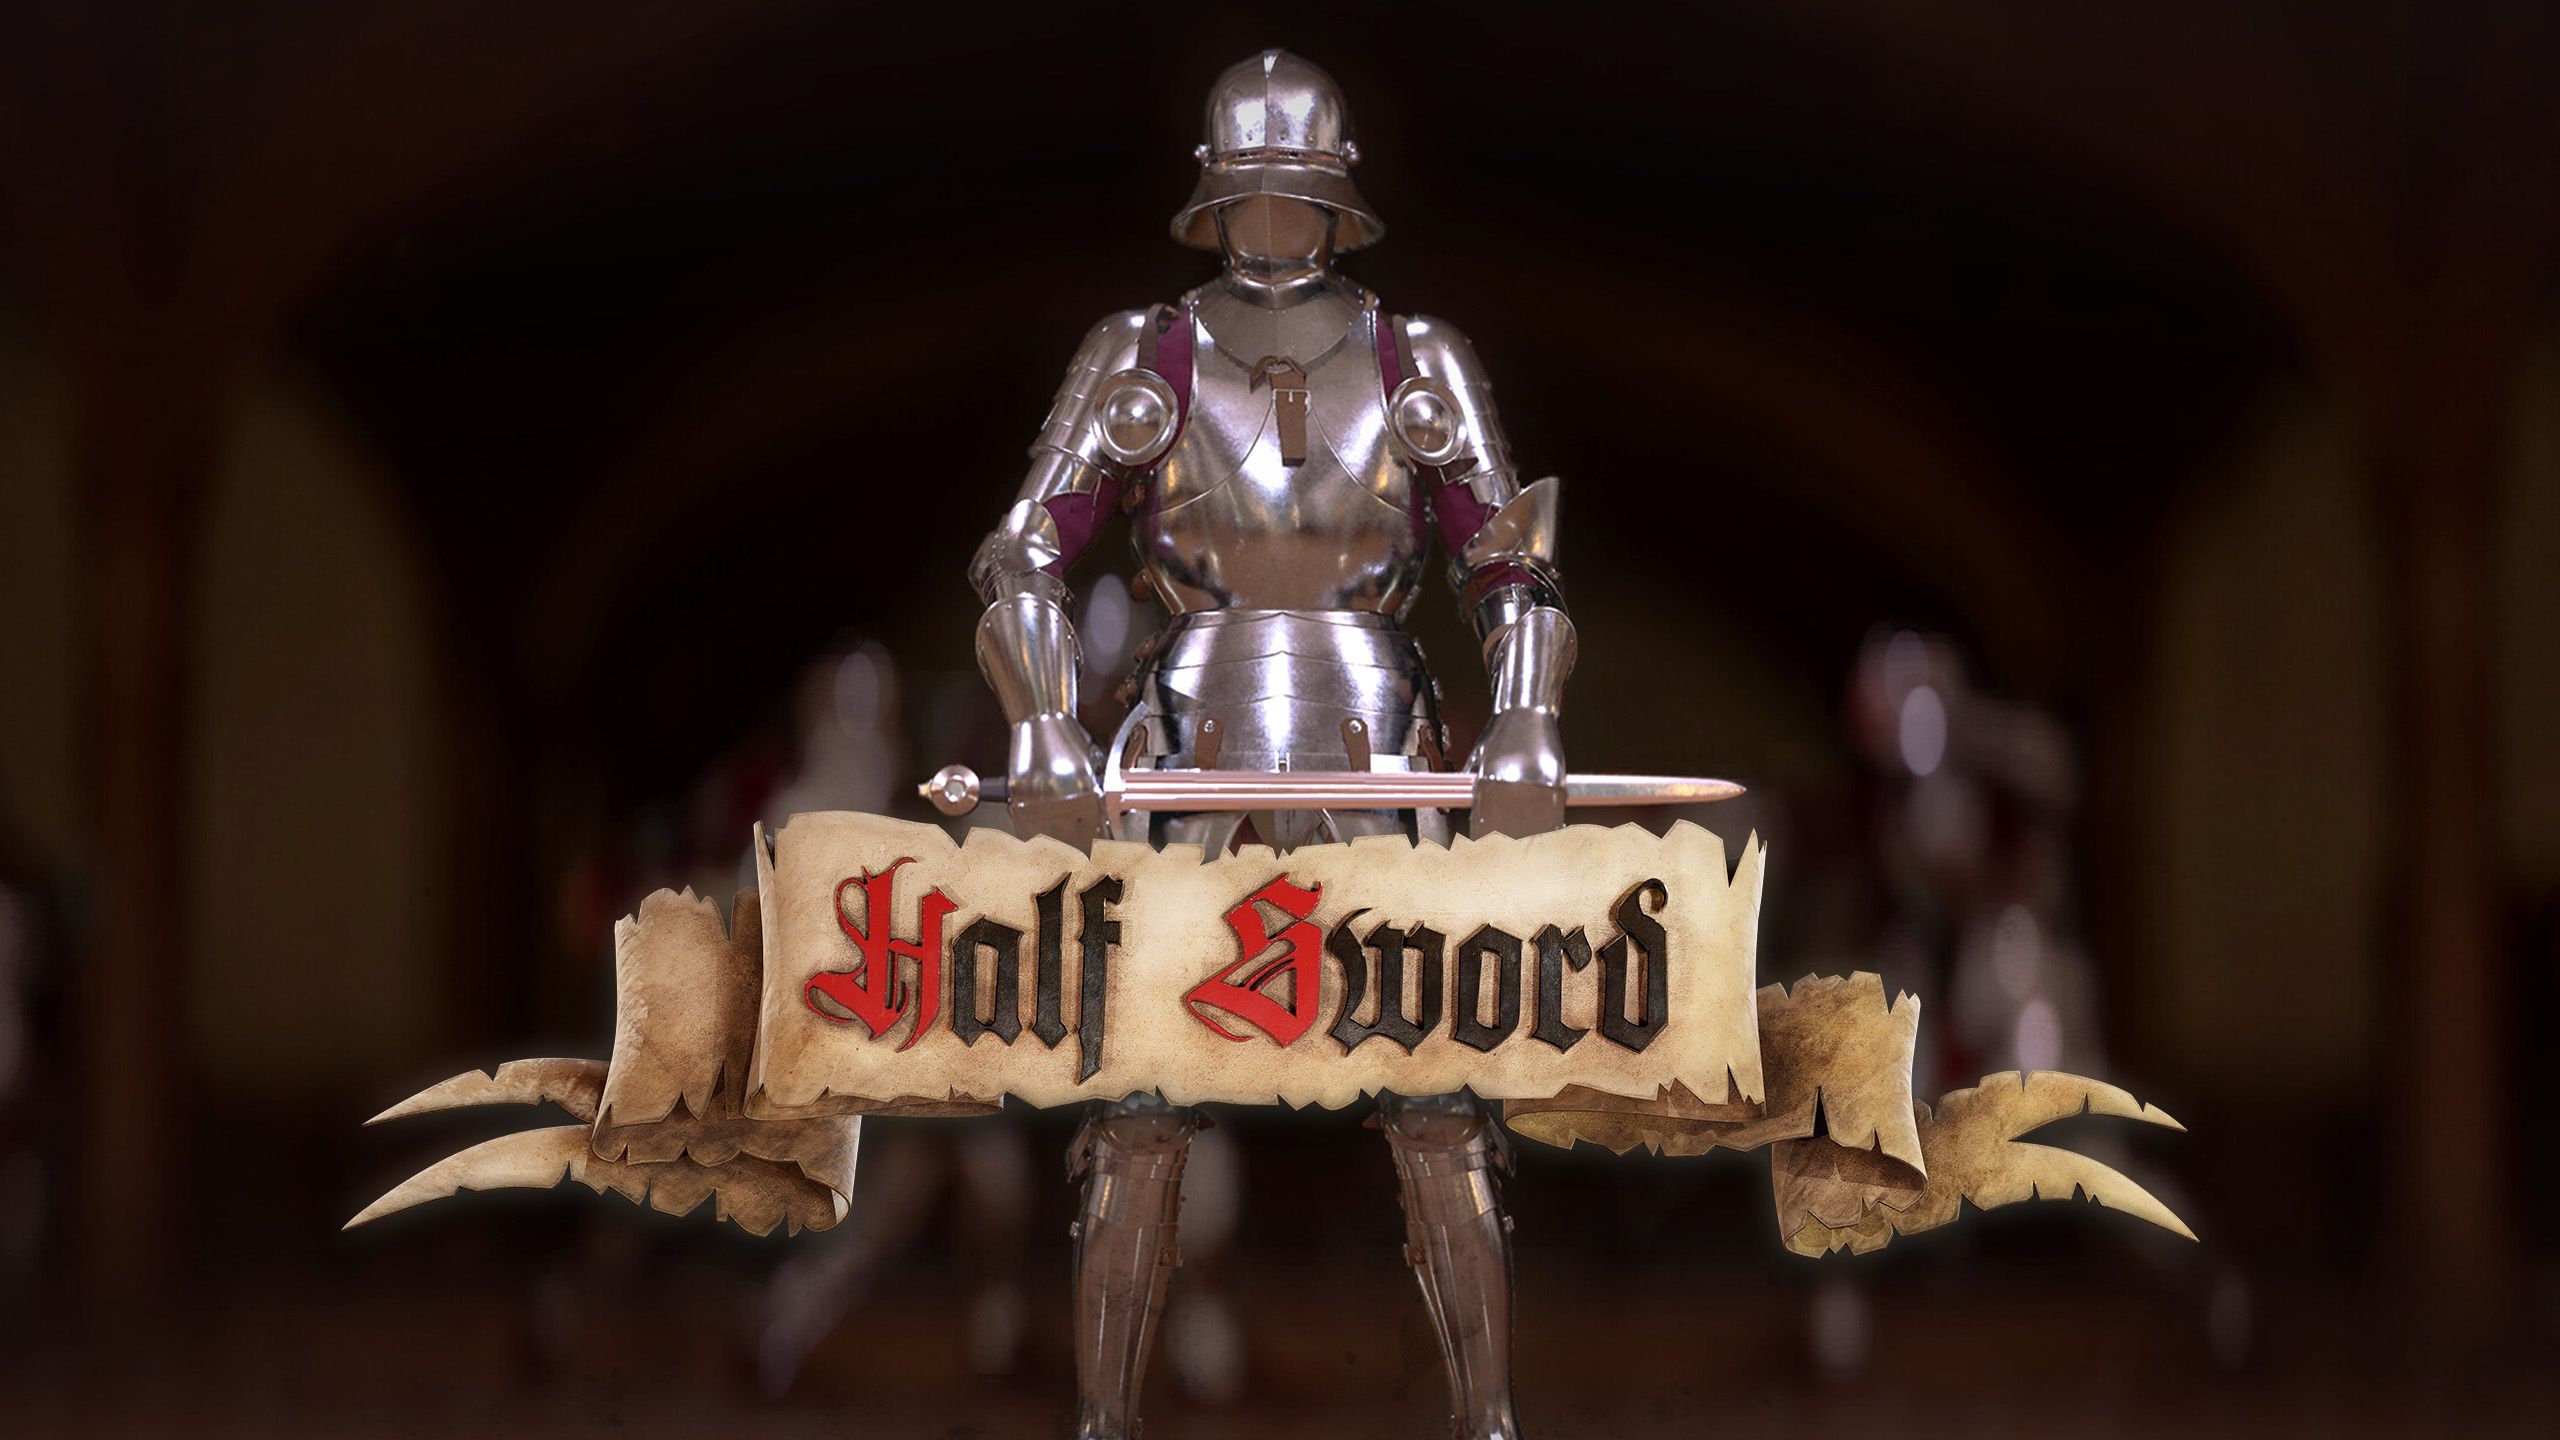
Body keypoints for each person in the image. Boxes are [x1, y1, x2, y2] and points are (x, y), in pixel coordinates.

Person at [966, 50, 1574, 1440]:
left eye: (1296, 189)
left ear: (1336, 197)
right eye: (1256, 189)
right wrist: (1044, 718)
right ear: (1216, 199)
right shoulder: (1144, 355)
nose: (1276, 212)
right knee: (1136, 1103)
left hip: (1381, 734)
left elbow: (1512, 570)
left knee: (1440, 1095)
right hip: (1186, 734)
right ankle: (1104, 1421)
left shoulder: (1418, 358)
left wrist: (1528, 714)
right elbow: (1022, 556)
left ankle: (1488, 1419)